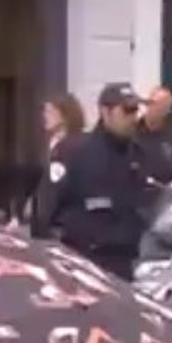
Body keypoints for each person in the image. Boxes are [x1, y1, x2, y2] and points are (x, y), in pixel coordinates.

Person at [37, 82, 156, 280]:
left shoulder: (139, 155)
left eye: (135, 110)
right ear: (105, 112)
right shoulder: (74, 151)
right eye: (126, 110)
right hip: (83, 264)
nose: (133, 117)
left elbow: (154, 201)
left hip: (126, 264)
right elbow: (44, 210)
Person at [29, 92, 86, 239]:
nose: (45, 116)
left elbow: (57, 188)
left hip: (60, 226)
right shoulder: (52, 144)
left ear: (64, 115)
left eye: (50, 111)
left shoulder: (70, 146)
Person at [136, 85, 172, 184]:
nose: (155, 109)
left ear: (167, 110)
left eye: (161, 106)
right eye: (153, 103)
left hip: (165, 193)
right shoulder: (131, 132)